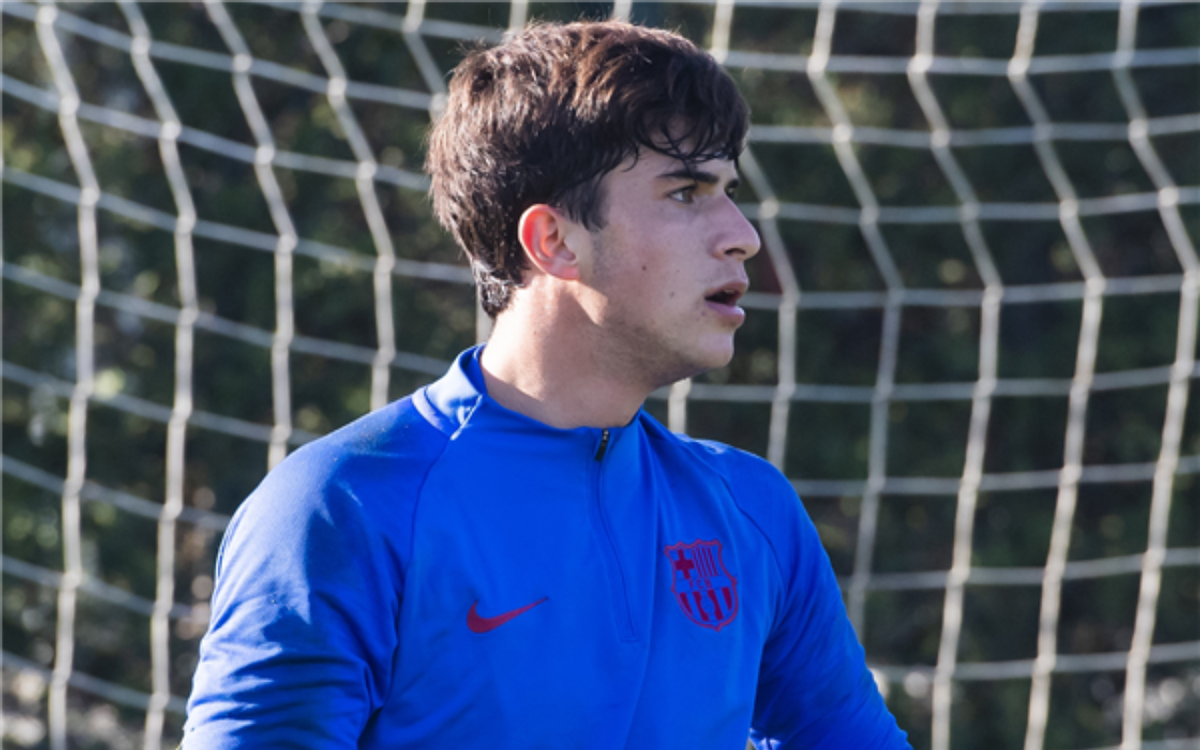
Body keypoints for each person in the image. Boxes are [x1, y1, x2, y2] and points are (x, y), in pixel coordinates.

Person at [183, 20, 910, 749]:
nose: (742, 233)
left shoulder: (754, 514)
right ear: (555, 241)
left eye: (728, 189)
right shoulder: (342, 509)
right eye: (687, 193)